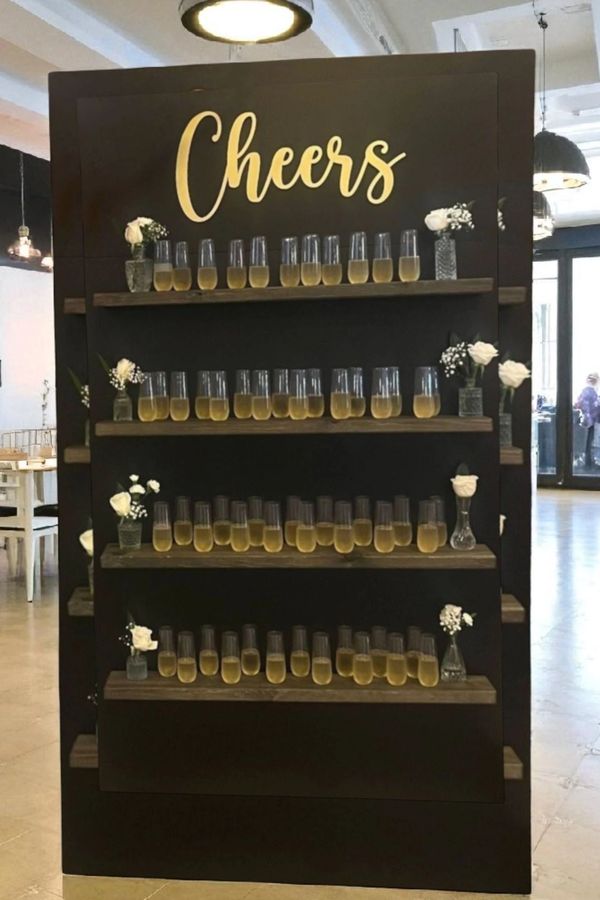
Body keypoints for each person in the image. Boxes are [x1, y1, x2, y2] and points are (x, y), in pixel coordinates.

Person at [575, 373, 600, 470]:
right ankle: (588, 463)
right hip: (589, 421)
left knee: (589, 442)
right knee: (588, 442)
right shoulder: (589, 391)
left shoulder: (589, 391)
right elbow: (587, 407)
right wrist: (589, 419)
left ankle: (589, 462)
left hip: (590, 420)